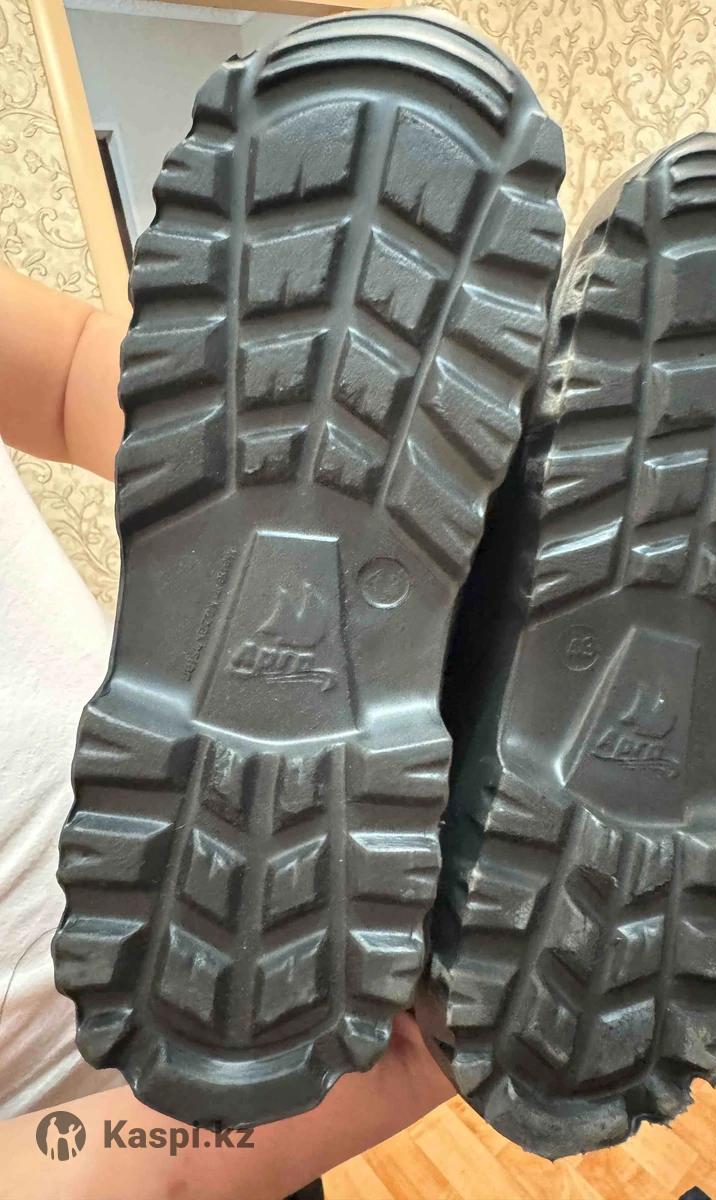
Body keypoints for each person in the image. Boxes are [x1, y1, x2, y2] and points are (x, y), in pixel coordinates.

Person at [0, 267, 453, 1199]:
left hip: (275, 995)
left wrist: (288, 481)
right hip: (144, 1148)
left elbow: (68, 373)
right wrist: (403, 1066)